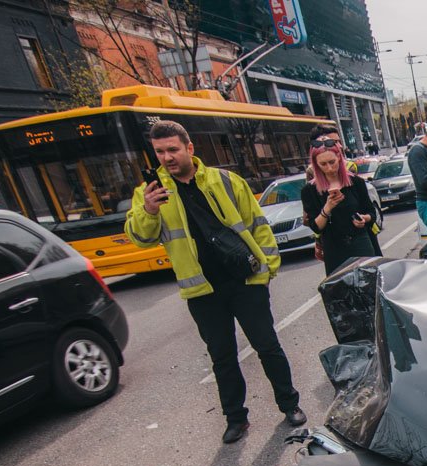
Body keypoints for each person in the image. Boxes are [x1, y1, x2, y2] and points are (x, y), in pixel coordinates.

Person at [125, 120, 304, 444]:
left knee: (267, 345)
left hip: (245, 280)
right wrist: (149, 211)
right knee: (222, 356)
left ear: (189, 148)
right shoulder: (148, 193)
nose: (167, 157)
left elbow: (257, 224)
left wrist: (267, 269)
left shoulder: (224, 180)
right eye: (160, 152)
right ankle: (236, 419)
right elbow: (141, 237)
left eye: (173, 150)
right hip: (202, 290)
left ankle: (290, 404)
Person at [301, 138, 378, 277]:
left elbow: (372, 213)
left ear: (339, 158)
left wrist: (364, 219)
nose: (329, 168)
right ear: (316, 166)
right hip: (334, 248)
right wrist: (328, 207)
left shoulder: (356, 182)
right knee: (341, 291)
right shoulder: (310, 190)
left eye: (332, 162)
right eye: (323, 164)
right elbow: (316, 227)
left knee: (369, 284)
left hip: (360, 242)